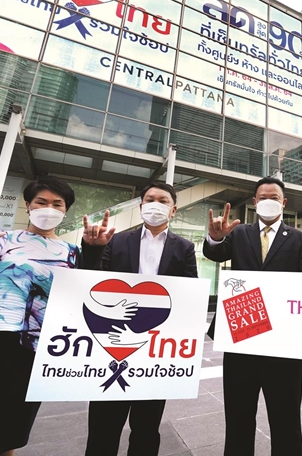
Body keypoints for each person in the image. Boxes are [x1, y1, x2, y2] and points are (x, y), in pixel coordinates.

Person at [0, 175, 114, 456]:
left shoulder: (72, 253)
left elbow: (82, 299)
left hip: (38, 349)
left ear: (65, 211)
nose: (49, 208)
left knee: (10, 434)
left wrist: (94, 252)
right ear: (28, 206)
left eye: (57, 204)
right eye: (41, 202)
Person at [204, 176, 302, 456]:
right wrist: (216, 238)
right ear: (255, 202)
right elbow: (214, 254)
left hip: (284, 343)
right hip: (241, 336)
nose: (268, 202)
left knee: (286, 418)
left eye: (274, 198)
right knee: (239, 416)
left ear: (284, 203)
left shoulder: (300, 239)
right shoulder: (239, 233)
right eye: (263, 197)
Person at [85, 182, 198, 456]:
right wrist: (91, 249)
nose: (155, 204)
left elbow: (189, 294)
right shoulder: (116, 241)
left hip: (157, 348)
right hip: (111, 342)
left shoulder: (184, 247)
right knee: (103, 426)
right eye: (149, 199)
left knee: (147, 427)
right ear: (140, 207)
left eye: (162, 200)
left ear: (173, 210)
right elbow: (92, 283)